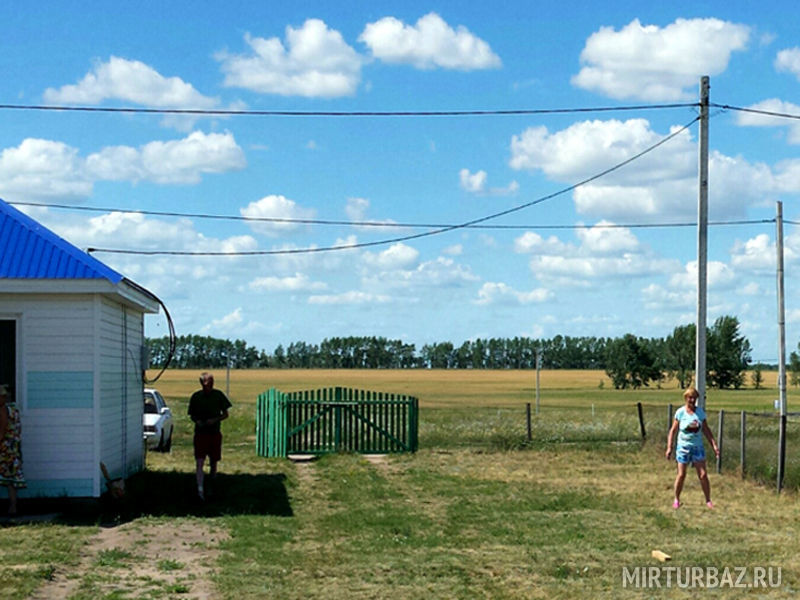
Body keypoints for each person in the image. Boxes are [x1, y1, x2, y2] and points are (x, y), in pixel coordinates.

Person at [665, 386, 720, 509]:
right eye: (690, 398)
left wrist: (714, 445)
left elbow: (706, 430)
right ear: (686, 398)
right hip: (683, 447)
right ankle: (676, 499)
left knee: (703, 475)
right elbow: (673, 431)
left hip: (697, 448)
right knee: (681, 475)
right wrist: (669, 447)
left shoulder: (700, 413)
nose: (692, 400)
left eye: (694, 398)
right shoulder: (680, 413)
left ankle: (708, 500)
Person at [188, 373, 231, 501]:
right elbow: (192, 415)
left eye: (212, 381)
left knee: (214, 461)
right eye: (208, 382)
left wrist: (215, 420)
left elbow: (226, 414)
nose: (211, 384)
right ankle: (200, 489)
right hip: (201, 433)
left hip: (214, 433)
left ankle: (211, 487)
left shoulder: (218, 395)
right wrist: (197, 421)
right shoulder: (196, 397)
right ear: (202, 383)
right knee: (199, 461)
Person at [0, 384, 26, 515]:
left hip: (5, 448)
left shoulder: (3, 410)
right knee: (12, 479)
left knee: (4, 475)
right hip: (14, 447)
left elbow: (2, 429)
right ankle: (13, 506)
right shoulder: (15, 409)